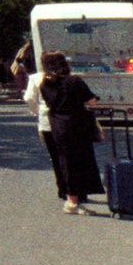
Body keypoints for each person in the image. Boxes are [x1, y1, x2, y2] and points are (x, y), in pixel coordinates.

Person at [31, 50, 104, 213]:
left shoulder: (45, 85)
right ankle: (72, 201)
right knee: (79, 162)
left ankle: (72, 198)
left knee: (66, 162)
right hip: (76, 125)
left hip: (57, 126)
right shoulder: (74, 81)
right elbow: (91, 101)